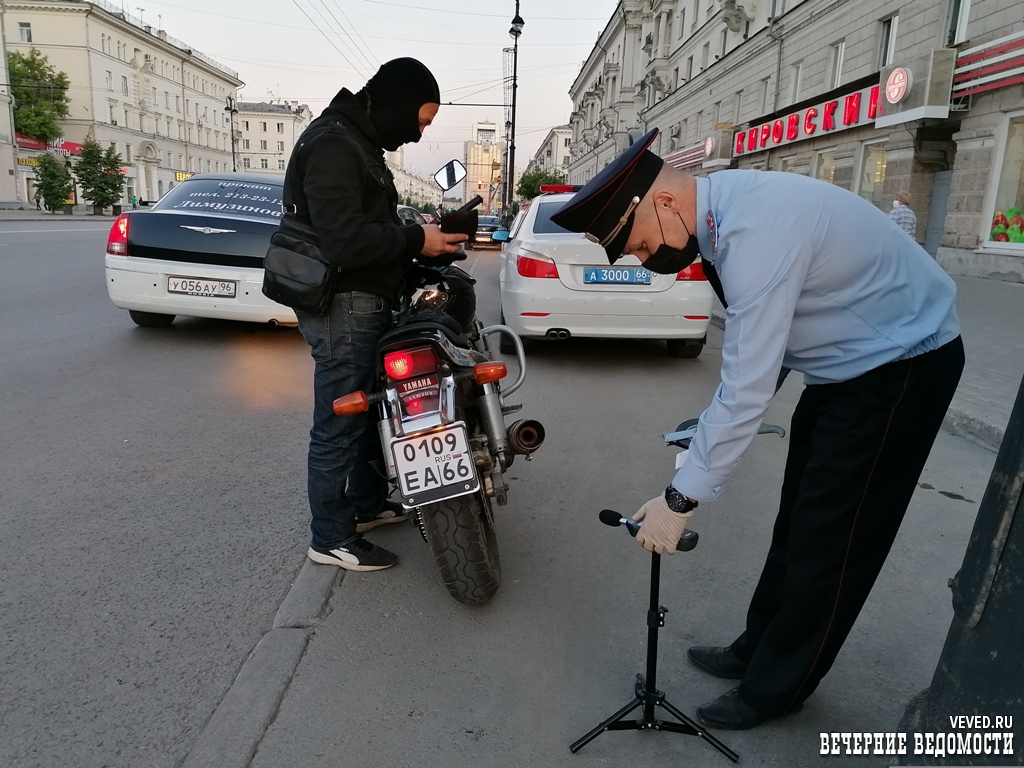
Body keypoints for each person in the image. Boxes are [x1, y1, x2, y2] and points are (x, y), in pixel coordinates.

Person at [551, 129, 963, 731]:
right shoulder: (721, 221)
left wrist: (679, 500)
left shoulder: (753, 234)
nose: (641, 259)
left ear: (662, 204)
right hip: (845, 368)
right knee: (797, 516)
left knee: (834, 537)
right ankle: (757, 648)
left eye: (635, 244)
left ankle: (779, 685)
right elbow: (764, 356)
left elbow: (745, 386)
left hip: (900, 369)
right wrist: (703, 440)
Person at [282, 58, 466, 572]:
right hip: (344, 305)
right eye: (421, 120)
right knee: (338, 423)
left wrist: (422, 250)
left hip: (363, 301)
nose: (418, 133)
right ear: (398, 104)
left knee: (365, 414)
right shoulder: (334, 144)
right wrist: (416, 239)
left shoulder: (357, 140)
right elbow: (343, 241)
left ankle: (364, 507)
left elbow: (367, 230)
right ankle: (330, 537)